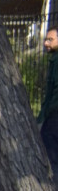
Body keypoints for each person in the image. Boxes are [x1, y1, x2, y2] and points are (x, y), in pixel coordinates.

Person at [39, 28, 58, 177]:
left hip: (55, 115)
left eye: (50, 39)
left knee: (50, 153)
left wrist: (50, 111)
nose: (46, 43)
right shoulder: (54, 59)